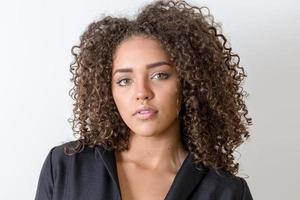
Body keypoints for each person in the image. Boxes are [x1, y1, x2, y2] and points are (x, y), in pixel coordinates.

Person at [34, 0, 253, 199]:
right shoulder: (66, 167)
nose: (142, 92)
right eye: (124, 80)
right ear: (107, 91)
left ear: (188, 81)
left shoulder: (226, 192)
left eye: (160, 75)